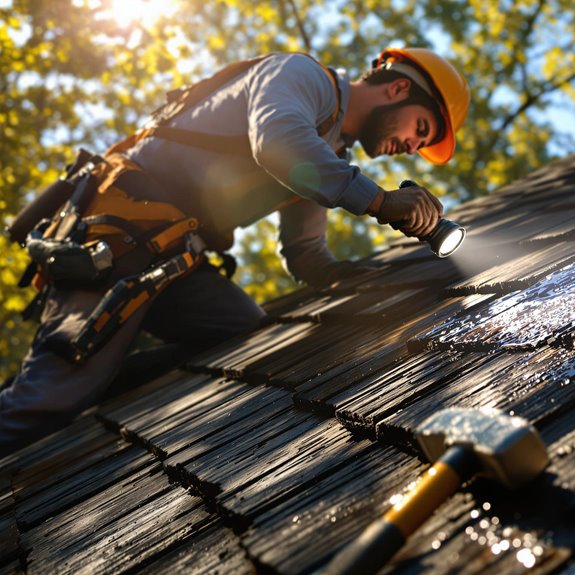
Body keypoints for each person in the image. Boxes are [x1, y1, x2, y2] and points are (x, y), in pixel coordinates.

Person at [0, 48, 470, 456]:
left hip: (169, 259)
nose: (410, 147)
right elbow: (278, 145)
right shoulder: (302, 77)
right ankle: (66, 380)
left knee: (241, 329)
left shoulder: (328, 154)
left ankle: (86, 377)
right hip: (117, 237)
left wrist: (369, 277)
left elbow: (307, 257)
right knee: (45, 403)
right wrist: (383, 202)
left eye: (420, 145)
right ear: (397, 89)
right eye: (420, 129)